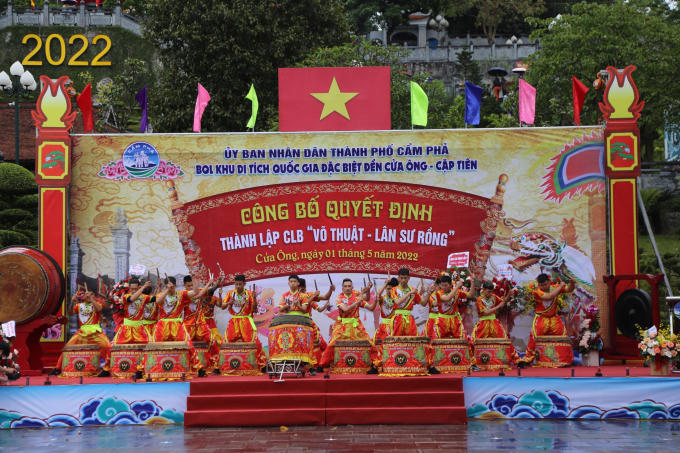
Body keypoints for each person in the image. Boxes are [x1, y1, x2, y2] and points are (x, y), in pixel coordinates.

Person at [152, 276, 213, 376]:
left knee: (189, 344)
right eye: (168, 287)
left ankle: (199, 368)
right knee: (152, 345)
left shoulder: (181, 294)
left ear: (175, 286)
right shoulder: (161, 295)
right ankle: (142, 369)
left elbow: (195, 292)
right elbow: (158, 302)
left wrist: (194, 278)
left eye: (172, 287)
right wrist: (166, 290)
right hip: (162, 325)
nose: (170, 289)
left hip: (177, 324)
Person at [319, 278, 377, 371]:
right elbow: (345, 309)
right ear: (342, 288)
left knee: (369, 343)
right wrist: (358, 300)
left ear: (352, 287)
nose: (347, 288)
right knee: (331, 344)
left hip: (356, 325)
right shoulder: (339, 298)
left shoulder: (356, 294)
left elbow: (367, 301)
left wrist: (368, 290)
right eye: (345, 286)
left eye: (349, 286)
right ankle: (323, 365)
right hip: (342, 326)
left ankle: (375, 364)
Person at [52, 288, 112, 376]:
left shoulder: (96, 304)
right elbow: (70, 313)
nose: (88, 296)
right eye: (86, 294)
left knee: (108, 347)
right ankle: (57, 368)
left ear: (93, 296)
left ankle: (106, 370)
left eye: (90, 294)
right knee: (67, 348)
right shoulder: (79, 305)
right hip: (82, 332)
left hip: (95, 332)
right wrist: (72, 302)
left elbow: (99, 309)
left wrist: (91, 299)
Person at [521, 273, 575, 366]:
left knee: (563, 337)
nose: (543, 287)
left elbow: (569, 289)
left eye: (545, 284)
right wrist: (560, 286)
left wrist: (572, 283)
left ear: (549, 282)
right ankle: (527, 359)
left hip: (554, 319)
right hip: (541, 319)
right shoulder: (537, 291)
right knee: (534, 338)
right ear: (538, 284)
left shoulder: (555, 288)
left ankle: (566, 359)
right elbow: (549, 296)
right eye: (541, 285)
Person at [220, 274, 267, 370]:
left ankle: (263, 365)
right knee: (225, 342)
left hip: (246, 322)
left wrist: (254, 299)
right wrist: (229, 303)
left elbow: (255, 310)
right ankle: (220, 366)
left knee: (255, 342)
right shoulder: (230, 293)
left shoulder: (249, 294)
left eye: (240, 284)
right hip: (234, 322)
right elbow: (222, 306)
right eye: (236, 284)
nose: (238, 286)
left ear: (244, 284)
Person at [472, 281, 519, 365]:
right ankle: (473, 362)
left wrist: (508, 295)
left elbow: (502, 302)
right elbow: (485, 312)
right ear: (483, 290)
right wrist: (498, 307)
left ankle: (517, 360)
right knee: (474, 341)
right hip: (483, 324)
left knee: (505, 339)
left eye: (491, 291)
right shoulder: (479, 299)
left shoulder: (493, 297)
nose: (490, 294)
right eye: (488, 292)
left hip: (494, 323)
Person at [183, 275, 222, 372]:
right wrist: (208, 283)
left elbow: (211, 290)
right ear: (184, 286)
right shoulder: (183, 294)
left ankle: (216, 365)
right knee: (185, 344)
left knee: (213, 341)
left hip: (201, 324)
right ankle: (191, 366)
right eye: (188, 286)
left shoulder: (199, 290)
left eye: (192, 285)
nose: (191, 287)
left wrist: (218, 281)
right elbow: (198, 296)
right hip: (188, 325)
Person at [298, 278, 334, 372]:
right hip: (297, 323)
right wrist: (314, 295)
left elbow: (323, 301)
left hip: (307, 322)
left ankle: (316, 364)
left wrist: (330, 290)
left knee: (317, 343)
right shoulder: (294, 297)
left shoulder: (308, 295)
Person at [112, 278, 152, 345]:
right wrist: (144, 287)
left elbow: (157, 300)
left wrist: (166, 289)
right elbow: (132, 299)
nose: (134, 291)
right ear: (129, 288)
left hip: (140, 329)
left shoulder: (144, 297)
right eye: (132, 289)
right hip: (126, 330)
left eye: (136, 289)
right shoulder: (126, 297)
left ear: (139, 287)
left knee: (147, 347)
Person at [390, 268, 424, 336]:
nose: (403, 280)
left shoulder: (413, 290)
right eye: (401, 278)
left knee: (412, 339)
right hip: (397, 318)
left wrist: (429, 293)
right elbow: (397, 302)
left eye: (405, 278)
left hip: (409, 319)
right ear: (398, 278)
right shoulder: (394, 289)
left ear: (409, 278)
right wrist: (409, 293)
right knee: (396, 339)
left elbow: (423, 303)